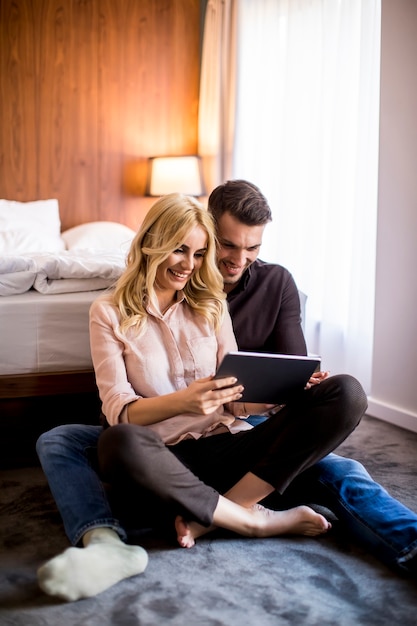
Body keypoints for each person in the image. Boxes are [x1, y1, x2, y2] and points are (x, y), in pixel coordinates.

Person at [35, 182, 416, 602]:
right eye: (180, 250)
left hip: (230, 444)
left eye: (199, 254)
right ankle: (252, 520)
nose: (190, 265)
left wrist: (285, 389)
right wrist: (186, 400)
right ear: (150, 244)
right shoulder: (107, 311)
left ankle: (217, 514)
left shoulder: (211, 303)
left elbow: (237, 400)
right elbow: (118, 411)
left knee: (347, 396)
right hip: (166, 455)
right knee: (115, 440)